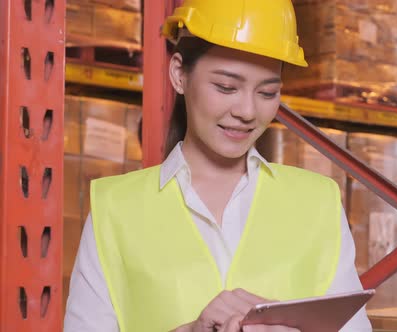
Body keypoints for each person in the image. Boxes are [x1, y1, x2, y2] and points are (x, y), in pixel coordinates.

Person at [64, 1, 373, 331]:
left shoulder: (317, 202)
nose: (247, 111)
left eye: (268, 92)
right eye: (226, 87)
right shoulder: (116, 208)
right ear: (179, 75)